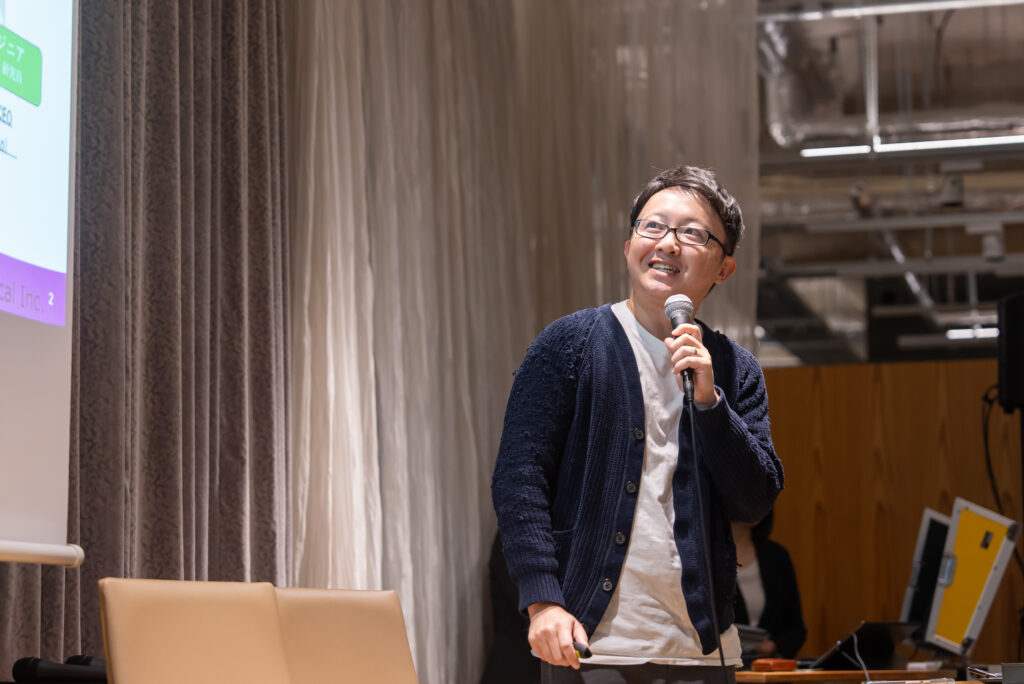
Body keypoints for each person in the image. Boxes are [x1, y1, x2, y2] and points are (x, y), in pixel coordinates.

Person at [491, 164, 784, 684]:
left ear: (723, 269)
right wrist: (542, 602)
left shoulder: (735, 369)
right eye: (653, 226)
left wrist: (710, 404)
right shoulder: (570, 344)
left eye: (692, 233)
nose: (668, 243)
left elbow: (755, 501)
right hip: (589, 647)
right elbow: (519, 477)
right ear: (629, 246)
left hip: (703, 652)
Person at [731, 510, 807, 661]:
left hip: (766, 667)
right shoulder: (705, 556)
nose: (757, 503)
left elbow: (795, 628)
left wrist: (775, 645)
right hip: (722, 667)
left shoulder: (777, 556)